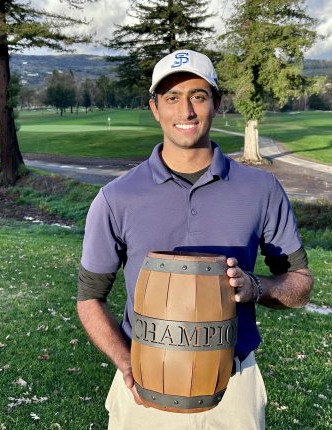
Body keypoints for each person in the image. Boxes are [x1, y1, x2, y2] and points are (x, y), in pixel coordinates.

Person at [77, 49, 313, 430]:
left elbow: (300, 285)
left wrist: (255, 287)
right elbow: (90, 298)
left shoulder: (261, 189)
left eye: (198, 96)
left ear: (216, 104)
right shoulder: (117, 197)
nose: (185, 111)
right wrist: (127, 363)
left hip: (233, 392)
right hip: (142, 392)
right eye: (171, 98)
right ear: (155, 108)